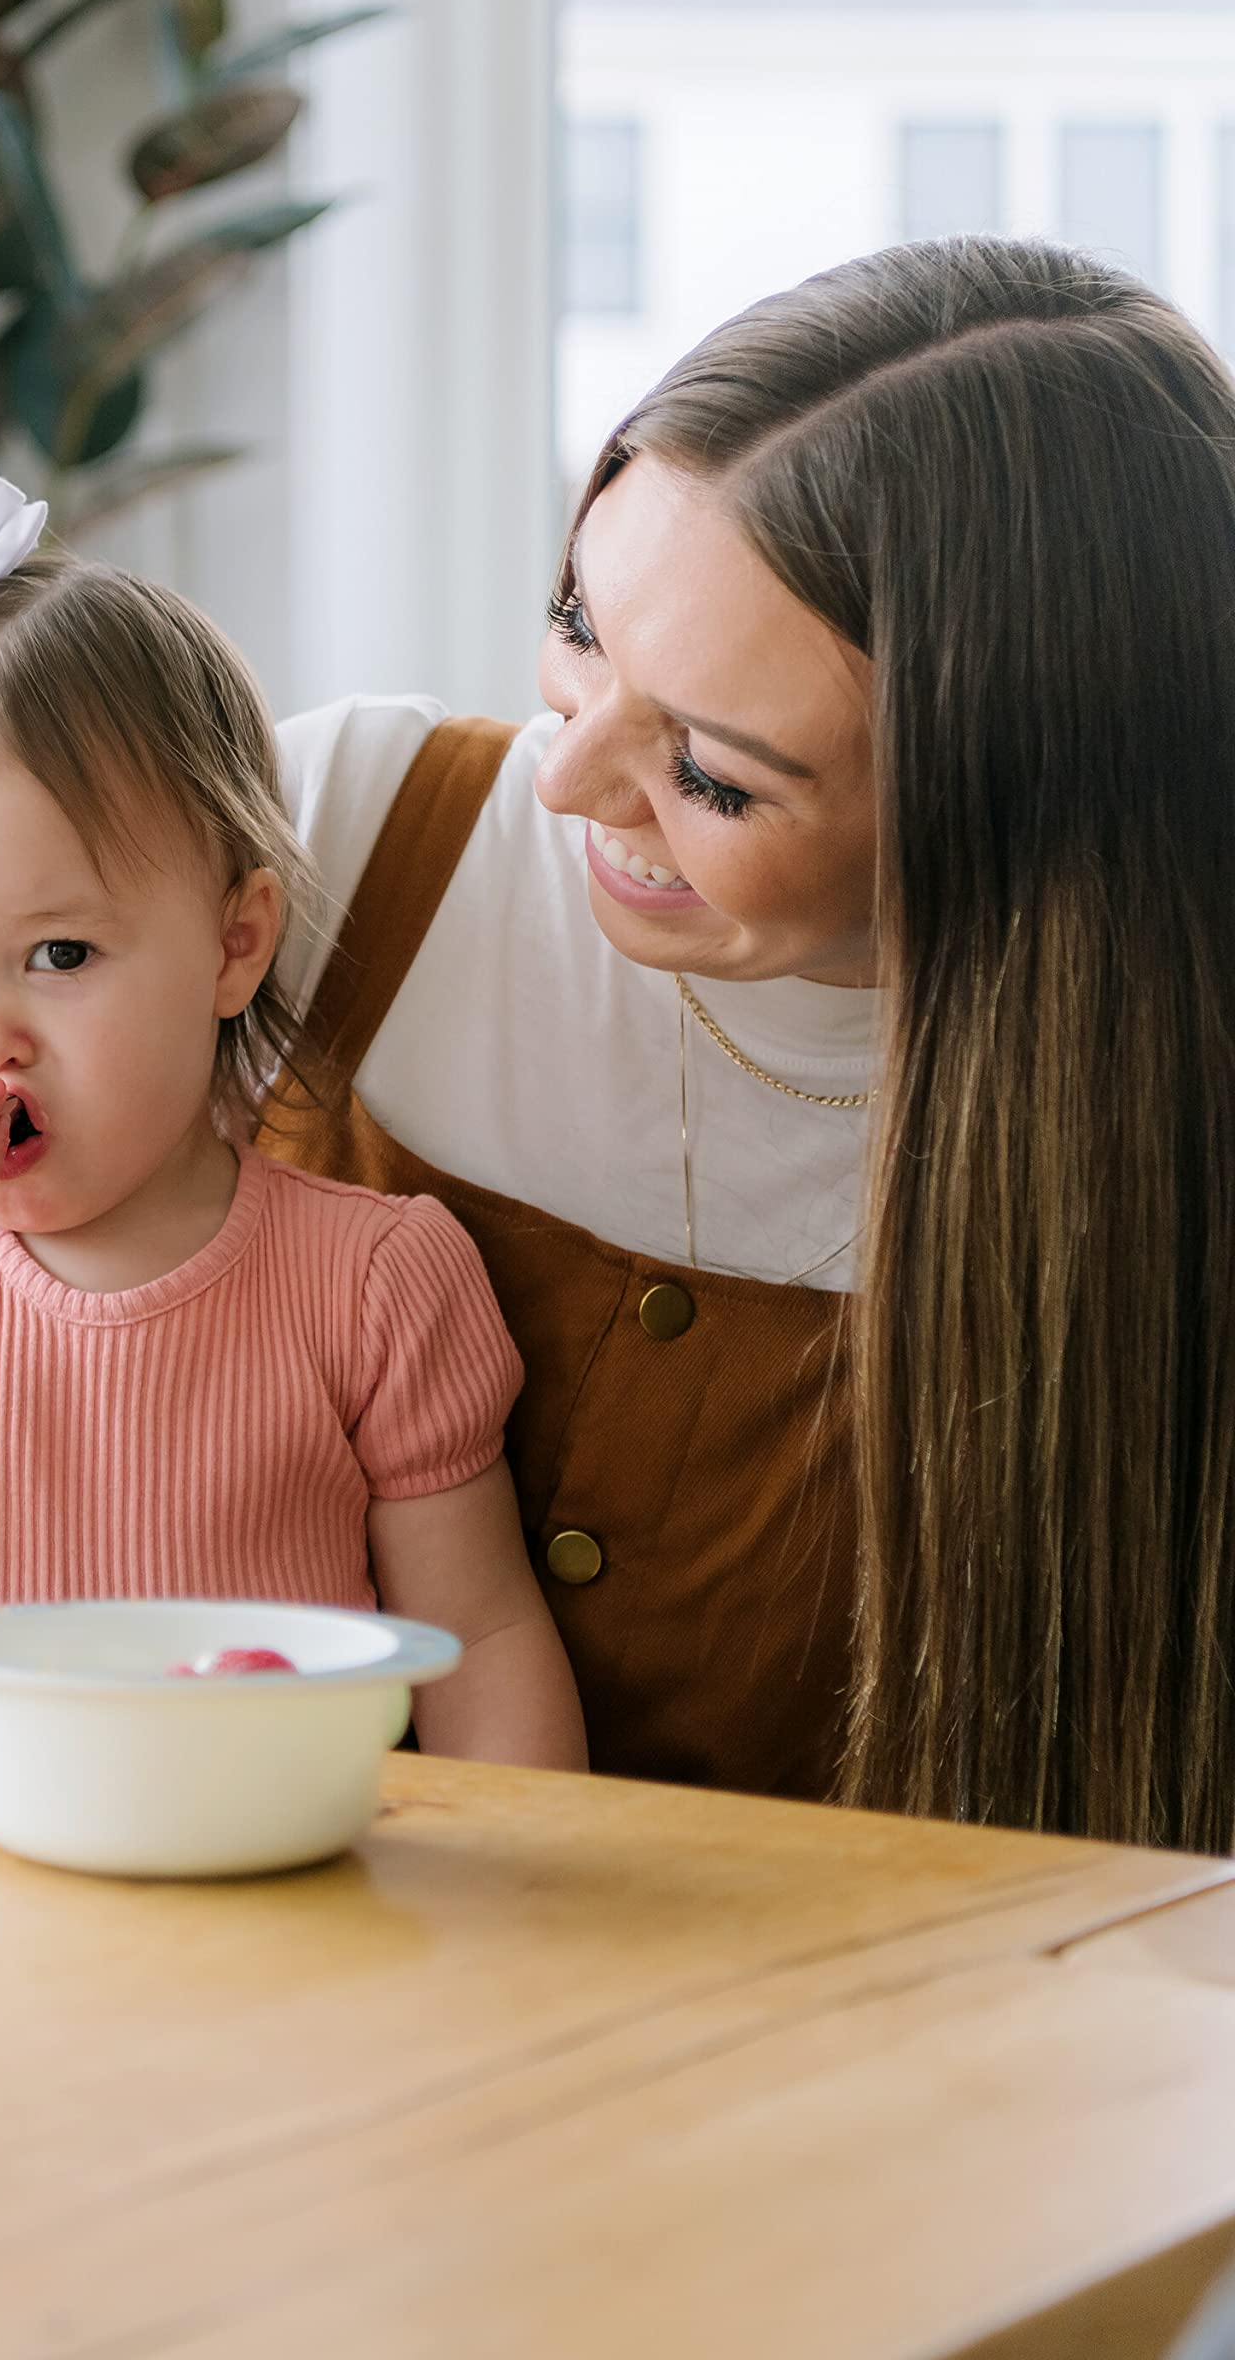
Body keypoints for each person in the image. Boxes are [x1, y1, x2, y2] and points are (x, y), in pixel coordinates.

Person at [267, 234, 1235, 1851]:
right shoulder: (331, 840)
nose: (562, 781)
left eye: (712, 776)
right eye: (578, 619)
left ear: (1003, 821)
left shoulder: (1167, 1133)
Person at [0, 457, 586, 1770]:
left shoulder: (372, 1283)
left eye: (62, 954)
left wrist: (521, 1913)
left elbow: (475, 1638)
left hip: (247, 1889)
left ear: (233, 946)